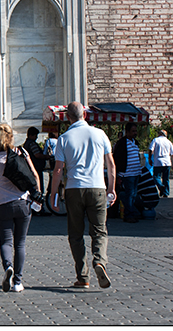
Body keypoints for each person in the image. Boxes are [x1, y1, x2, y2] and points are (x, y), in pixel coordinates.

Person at [49, 102, 116, 289]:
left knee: (76, 234)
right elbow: (111, 164)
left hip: (74, 188)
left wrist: (53, 195)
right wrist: (111, 188)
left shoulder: (64, 138)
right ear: (84, 115)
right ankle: (100, 261)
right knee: (99, 230)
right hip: (97, 187)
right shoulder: (100, 134)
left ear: (68, 117)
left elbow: (58, 170)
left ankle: (83, 276)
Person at [0, 123, 41, 293]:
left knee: (6, 242)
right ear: (11, 137)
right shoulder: (22, 153)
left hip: (3, 204)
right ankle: (18, 281)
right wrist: (36, 196)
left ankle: (8, 266)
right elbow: (35, 175)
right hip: (23, 203)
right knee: (20, 243)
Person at [113, 122, 142, 223]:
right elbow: (117, 157)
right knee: (129, 194)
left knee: (133, 194)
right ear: (127, 132)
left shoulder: (135, 142)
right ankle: (128, 214)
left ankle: (132, 212)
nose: (135, 133)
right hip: (127, 174)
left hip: (135, 173)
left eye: (135, 131)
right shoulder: (122, 143)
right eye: (133, 131)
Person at [22, 127, 52, 211]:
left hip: (30, 169)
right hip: (36, 168)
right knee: (38, 189)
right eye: (36, 135)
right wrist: (46, 156)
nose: (37, 137)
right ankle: (38, 208)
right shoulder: (32, 144)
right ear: (31, 135)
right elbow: (37, 155)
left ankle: (34, 207)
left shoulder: (26, 143)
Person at [148, 130, 173, 198]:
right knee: (166, 178)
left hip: (158, 162)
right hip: (167, 162)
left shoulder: (155, 140)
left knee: (156, 177)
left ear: (160, 133)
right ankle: (165, 192)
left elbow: (150, 150)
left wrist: (150, 159)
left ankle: (161, 187)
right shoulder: (169, 142)